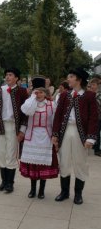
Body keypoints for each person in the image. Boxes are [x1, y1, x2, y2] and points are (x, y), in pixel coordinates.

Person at [52, 67, 98, 205]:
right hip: (65, 132)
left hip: (81, 134)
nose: (68, 79)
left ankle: (78, 194)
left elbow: (93, 118)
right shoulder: (65, 95)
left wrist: (90, 138)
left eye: (71, 76)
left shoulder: (89, 96)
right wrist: (55, 134)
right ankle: (64, 192)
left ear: (79, 79)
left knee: (80, 162)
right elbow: (58, 115)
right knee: (64, 160)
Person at [0, 68, 28, 193]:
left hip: (13, 127)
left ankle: (10, 183)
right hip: (0, 125)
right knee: (1, 153)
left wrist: (22, 130)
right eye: (6, 75)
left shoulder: (22, 91)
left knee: (11, 154)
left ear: (16, 78)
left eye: (10, 75)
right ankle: (3, 181)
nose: (8, 77)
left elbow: (25, 113)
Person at [19, 76, 59, 199]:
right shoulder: (30, 103)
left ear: (45, 92)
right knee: (33, 165)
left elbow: (54, 121)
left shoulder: (52, 105)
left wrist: (55, 137)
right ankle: (32, 189)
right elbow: (26, 111)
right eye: (37, 92)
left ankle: (41, 190)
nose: (39, 94)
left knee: (43, 165)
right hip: (32, 136)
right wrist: (32, 97)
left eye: (41, 92)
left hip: (46, 137)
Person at [88, 78, 101, 156]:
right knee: (96, 133)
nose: (92, 86)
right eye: (91, 85)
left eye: (94, 85)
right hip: (95, 117)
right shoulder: (90, 94)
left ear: (97, 85)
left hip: (99, 116)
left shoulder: (98, 94)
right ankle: (96, 149)